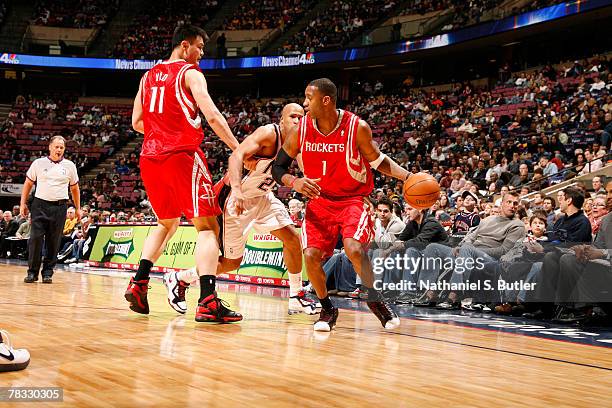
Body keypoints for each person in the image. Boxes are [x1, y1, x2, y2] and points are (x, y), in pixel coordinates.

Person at [272, 78, 413, 332]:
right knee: (311, 256)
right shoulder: (301, 130)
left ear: (325, 100)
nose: (304, 104)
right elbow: (278, 167)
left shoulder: (356, 127)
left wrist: (407, 177)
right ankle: (327, 307)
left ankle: (375, 298)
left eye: (308, 98)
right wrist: (295, 181)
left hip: (352, 200)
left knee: (353, 248)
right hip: (319, 201)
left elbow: (378, 161)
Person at [124, 25, 243, 323]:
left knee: (166, 223)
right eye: (200, 47)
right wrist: (238, 149)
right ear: (184, 45)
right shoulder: (190, 73)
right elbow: (213, 116)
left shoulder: (147, 76)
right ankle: (207, 300)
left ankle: (138, 283)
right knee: (207, 227)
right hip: (182, 155)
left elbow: (137, 121)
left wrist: (160, 132)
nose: (202, 53)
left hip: (150, 157)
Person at [164, 103, 319, 315]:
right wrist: (236, 190)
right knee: (230, 263)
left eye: (301, 117)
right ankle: (180, 278)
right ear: (281, 120)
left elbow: (308, 169)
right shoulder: (268, 134)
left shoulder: (299, 141)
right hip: (236, 199)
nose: (298, 121)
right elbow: (236, 156)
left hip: (263, 197)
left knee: (292, 238)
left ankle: (296, 296)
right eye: (293, 116)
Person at [19, 136, 80, 284]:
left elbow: (75, 188)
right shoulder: (38, 163)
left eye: (61, 147)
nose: (59, 150)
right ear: (50, 147)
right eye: (56, 147)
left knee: (54, 241)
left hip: (60, 207)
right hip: (39, 206)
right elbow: (28, 184)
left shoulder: (70, 165)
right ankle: (32, 272)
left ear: (64, 149)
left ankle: (47, 273)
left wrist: (77, 208)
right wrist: (23, 204)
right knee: (35, 239)